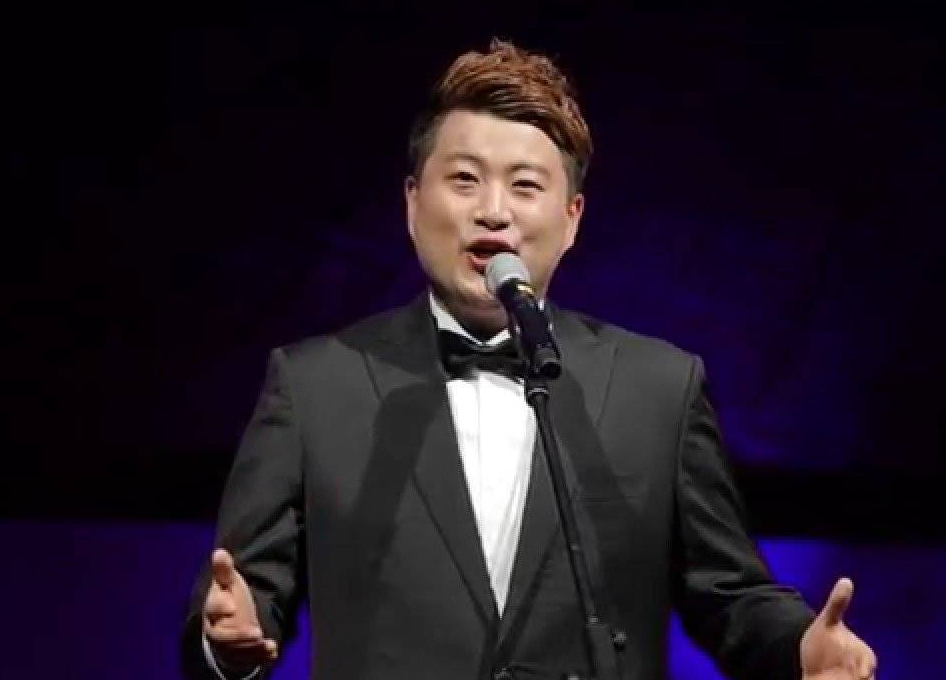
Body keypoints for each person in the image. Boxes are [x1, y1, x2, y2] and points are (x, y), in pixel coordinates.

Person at [180, 39, 877, 680]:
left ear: (572, 219)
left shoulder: (658, 390)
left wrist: (800, 649)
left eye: (524, 186)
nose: (493, 211)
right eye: (464, 179)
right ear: (412, 204)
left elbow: (727, 592)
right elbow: (242, 597)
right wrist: (225, 642)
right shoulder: (314, 386)